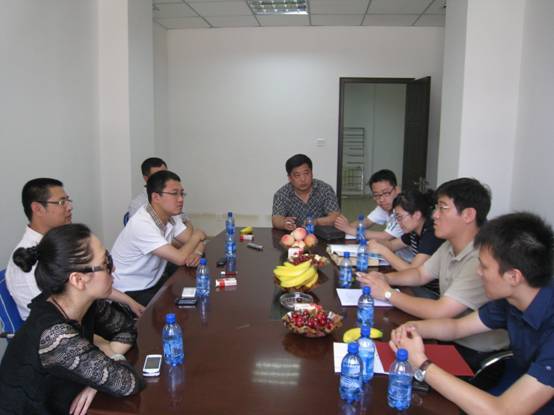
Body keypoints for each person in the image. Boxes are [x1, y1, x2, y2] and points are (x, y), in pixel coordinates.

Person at [390, 212, 554, 415]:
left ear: (513, 276)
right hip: (519, 382)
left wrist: (422, 365)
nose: (478, 272)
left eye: (484, 267)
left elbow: (502, 411)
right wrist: (413, 328)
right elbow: (456, 327)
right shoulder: (512, 299)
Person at [357, 178, 509, 370]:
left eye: (442, 208)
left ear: (468, 215)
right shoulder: (449, 245)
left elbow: (440, 311)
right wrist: (384, 278)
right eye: (436, 207)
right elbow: (420, 274)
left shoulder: (482, 259)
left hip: (474, 354)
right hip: (446, 336)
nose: (435, 215)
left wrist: (387, 293)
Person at [0, 224, 144, 415]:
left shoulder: (84, 301)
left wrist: (100, 374)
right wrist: (105, 369)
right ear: (78, 279)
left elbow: (127, 329)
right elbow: (128, 383)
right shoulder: (54, 336)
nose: (114, 268)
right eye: (106, 263)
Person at [6, 178, 144, 320]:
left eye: (68, 201)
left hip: (91, 311)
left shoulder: (61, 240)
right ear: (37, 209)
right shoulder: (29, 265)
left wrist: (130, 302)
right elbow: (53, 319)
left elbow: (92, 279)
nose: (69, 207)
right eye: (61, 202)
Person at [112, 170, 207, 306]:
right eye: (174, 194)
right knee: (182, 305)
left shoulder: (171, 215)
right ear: (156, 197)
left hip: (152, 280)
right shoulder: (142, 224)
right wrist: (197, 235)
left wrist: (196, 252)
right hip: (130, 289)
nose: (181, 199)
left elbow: (195, 242)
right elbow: (181, 257)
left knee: (196, 291)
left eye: (182, 193)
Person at [367, 189, 444, 296]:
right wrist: (375, 242)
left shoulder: (431, 234)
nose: (398, 223)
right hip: (417, 286)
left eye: (400, 217)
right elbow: (392, 245)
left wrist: (383, 251)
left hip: (432, 292)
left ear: (416, 215)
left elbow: (412, 271)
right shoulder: (413, 230)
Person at [272, 154, 340, 231]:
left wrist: (316, 222)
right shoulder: (281, 194)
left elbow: (335, 217)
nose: (303, 179)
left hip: (321, 235)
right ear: (289, 178)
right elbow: (276, 220)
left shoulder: (325, 190)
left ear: (312, 173)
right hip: (294, 236)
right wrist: (284, 223)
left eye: (306, 173)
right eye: (297, 175)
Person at [334, 169, 403, 241]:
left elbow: (385, 236)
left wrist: (349, 229)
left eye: (386, 193)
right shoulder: (385, 206)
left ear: (397, 189)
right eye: (376, 195)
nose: (381, 199)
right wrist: (344, 227)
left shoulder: (403, 209)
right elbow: (367, 222)